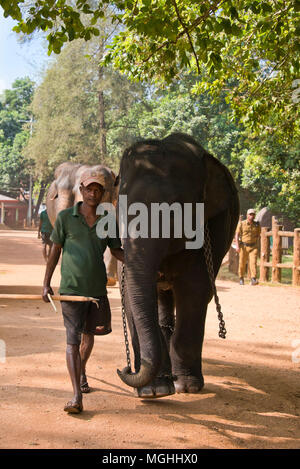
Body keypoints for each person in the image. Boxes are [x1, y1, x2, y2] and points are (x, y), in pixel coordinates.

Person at [42, 169, 124, 414]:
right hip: (71, 291)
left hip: (96, 291)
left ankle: (82, 370)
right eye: (89, 188)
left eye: (98, 190)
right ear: (81, 189)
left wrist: (139, 263)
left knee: (88, 337)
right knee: (72, 340)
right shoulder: (66, 218)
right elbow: (55, 251)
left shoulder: (107, 220)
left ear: (103, 194)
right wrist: (46, 283)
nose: (93, 193)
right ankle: (76, 395)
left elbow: (117, 250)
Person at [235, 208, 261, 285]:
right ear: (247, 215)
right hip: (243, 246)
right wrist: (237, 246)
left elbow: (258, 235)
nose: (251, 216)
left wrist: (257, 245)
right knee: (242, 263)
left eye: (253, 214)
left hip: (253, 247)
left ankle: (253, 279)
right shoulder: (242, 223)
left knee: (253, 262)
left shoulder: (257, 224)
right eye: (250, 214)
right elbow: (237, 235)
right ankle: (241, 278)